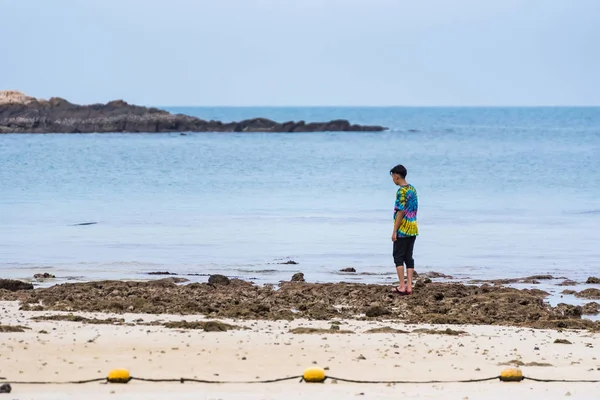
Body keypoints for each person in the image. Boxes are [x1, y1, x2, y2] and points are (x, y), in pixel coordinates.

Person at [390, 164, 418, 295]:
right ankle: (409, 286)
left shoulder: (401, 191)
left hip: (403, 229)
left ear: (396, 176)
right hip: (413, 228)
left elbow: (400, 211)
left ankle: (402, 286)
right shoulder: (412, 189)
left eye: (392, 177)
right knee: (409, 257)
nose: (392, 179)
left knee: (398, 257)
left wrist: (395, 230)